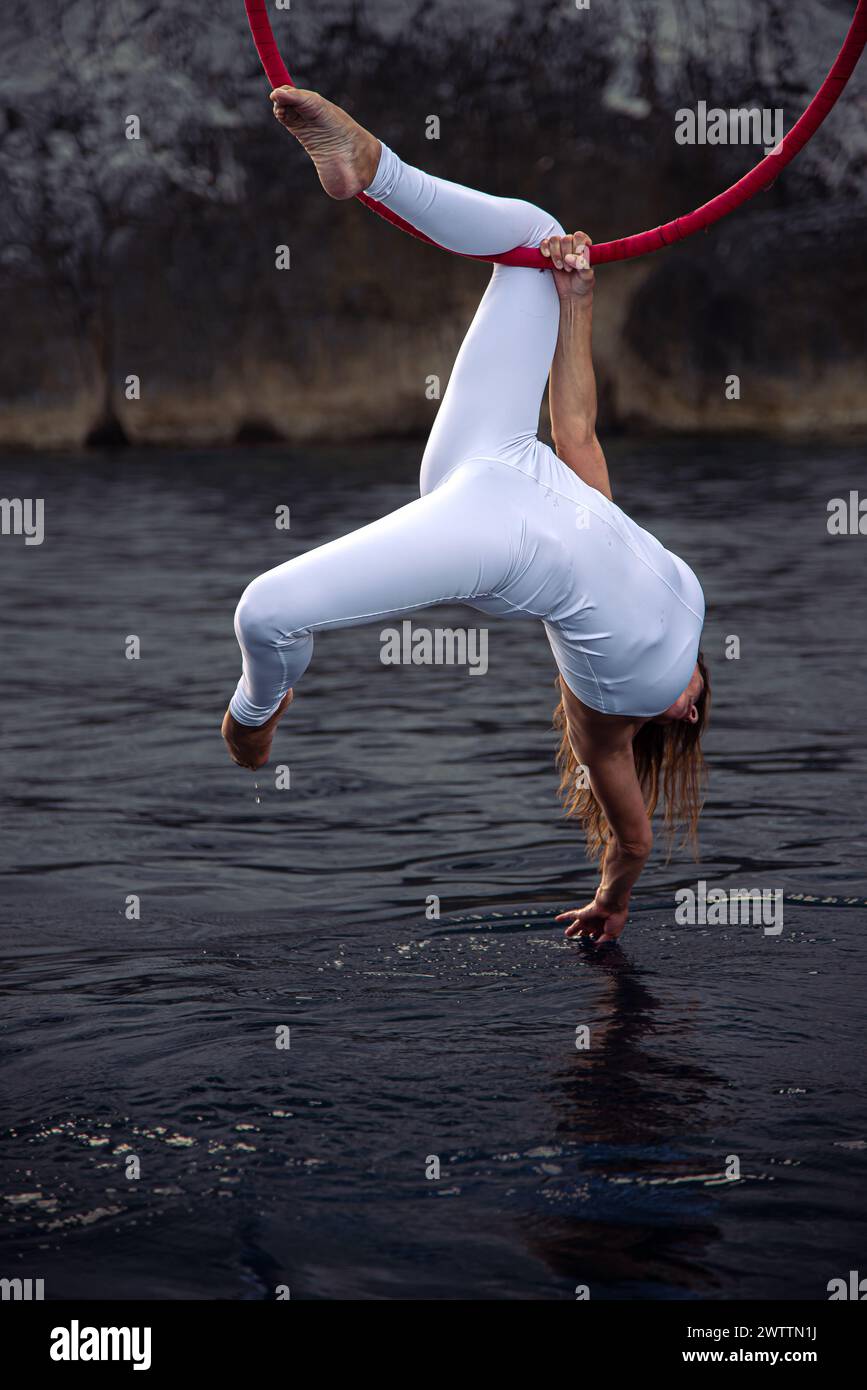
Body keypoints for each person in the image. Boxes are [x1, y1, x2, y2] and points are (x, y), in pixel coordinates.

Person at [222, 88, 710, 946]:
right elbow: (575, 433)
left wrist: (613, 898)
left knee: (263, 610)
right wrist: (576, 300)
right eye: (703, 689)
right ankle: (370, 169)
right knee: (533, 232)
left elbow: (633, 837)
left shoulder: (604, 722)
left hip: (497, 545)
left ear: (667, 724)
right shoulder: (671, 593)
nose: (694, 697)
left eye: (688, 714)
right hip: (502, 458)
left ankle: (254, 717)